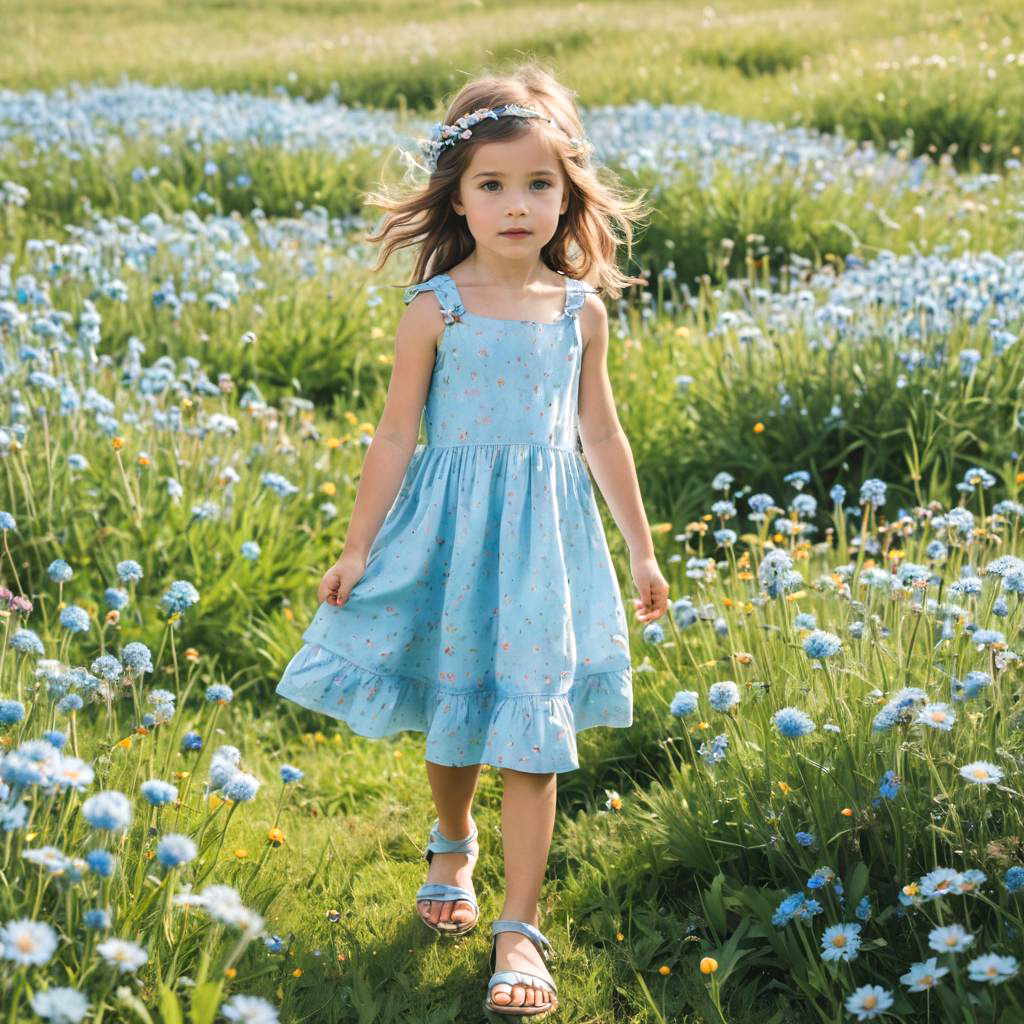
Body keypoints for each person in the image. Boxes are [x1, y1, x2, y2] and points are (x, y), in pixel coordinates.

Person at [275, 63, 670, 1018]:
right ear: (456, 195)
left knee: (532, 721)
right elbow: (395, 435)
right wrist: (359, 546)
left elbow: (601, 434)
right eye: (492, 185)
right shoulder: (434, 309)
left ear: (569, 194)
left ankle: (518, 929)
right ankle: (452, 836)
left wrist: (642, 549)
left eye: (539, 185)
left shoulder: (581, 311)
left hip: (546, 543)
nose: (517, 205)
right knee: (457, 713)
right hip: (450, 534)